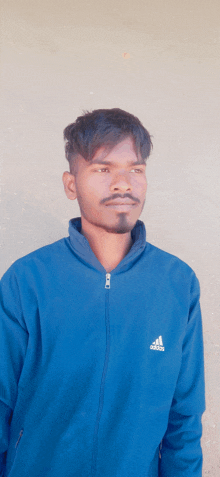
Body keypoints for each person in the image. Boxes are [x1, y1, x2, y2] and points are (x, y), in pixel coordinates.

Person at [0, 108, 205, 477]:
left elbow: (184, 418)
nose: (123, 183)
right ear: (70, 184)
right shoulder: (26, 281)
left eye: (135, 169)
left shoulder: (178, 283)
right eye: (103, 168)